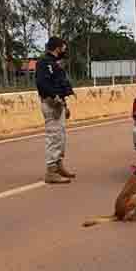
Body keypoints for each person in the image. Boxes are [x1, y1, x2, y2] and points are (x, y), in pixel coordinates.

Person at [36, 36, 76, 184]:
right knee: (53, 136)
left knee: (60, 136)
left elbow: (59, 84)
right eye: (63, 47)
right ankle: (51, 171)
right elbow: (42, 83)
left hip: (59, 104)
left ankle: (58, 165)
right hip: (51, 103)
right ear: (57, 47)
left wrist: (64, 104)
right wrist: (54, 97)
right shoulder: (44, 63)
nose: (65, 50)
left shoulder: (54, 63)